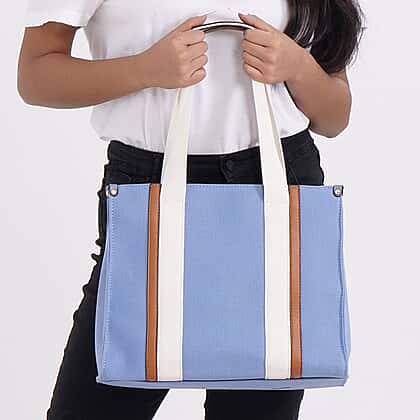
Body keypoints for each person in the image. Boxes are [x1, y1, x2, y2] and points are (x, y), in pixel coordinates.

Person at [17, 1, 364, 419]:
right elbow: (34, 76)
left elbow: (334, 117)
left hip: (278, 182)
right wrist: (144, 70)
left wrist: (298, 66)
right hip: (147, 187)